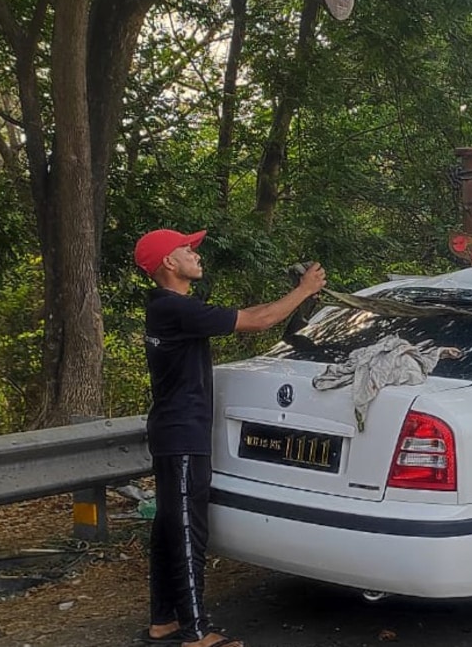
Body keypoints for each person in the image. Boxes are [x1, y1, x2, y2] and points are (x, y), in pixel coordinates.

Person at [133, 228, 326, 647]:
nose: (195, 254)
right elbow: (258, 321)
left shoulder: (170, 308)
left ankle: (163, 620)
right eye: (187, 249)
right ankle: (196, 632)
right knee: (187, 528)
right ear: (169, 262)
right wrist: (305, 289)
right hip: (182, 434)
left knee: (170, 525)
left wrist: (296, 294)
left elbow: (247, 312)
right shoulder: (173, 309)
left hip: (173, 431)